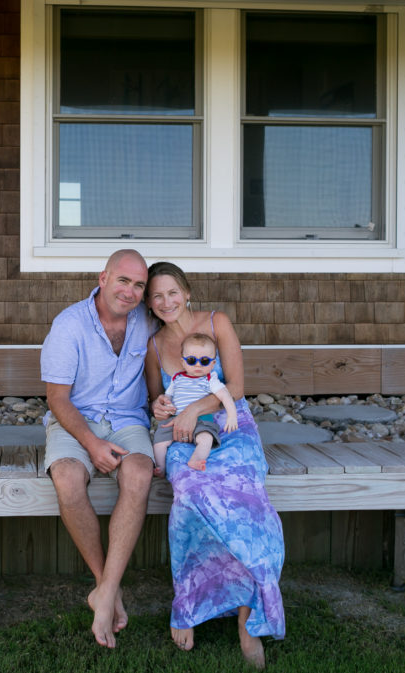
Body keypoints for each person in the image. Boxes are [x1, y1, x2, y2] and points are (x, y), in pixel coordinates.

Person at [145, 261, 285, 669]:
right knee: (191, 494)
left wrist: (197, 410)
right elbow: (156, 401)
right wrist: (161, 407)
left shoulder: (216, 322)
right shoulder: (154, 346)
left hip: (231, 427)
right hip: (183, 437)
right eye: (157, 296)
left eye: (172, 292)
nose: (166, 301)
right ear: (149, 303)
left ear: (187, 292)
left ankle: (247, 617)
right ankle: (190, 602)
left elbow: (236, 388)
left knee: (243, 496)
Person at [40, 248, 154, 649]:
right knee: (67, 477)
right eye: (123, 280)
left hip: (127, 421)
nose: (130, 291)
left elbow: (187, 326)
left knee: (139, 473)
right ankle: (106, 585)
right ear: (103, 278)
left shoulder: (147, 320)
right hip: (77, 420)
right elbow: (57, 398)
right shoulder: (69, 325)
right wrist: (91, 444)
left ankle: (104, 593)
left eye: (139, 285)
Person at [151, 332, 237, 474]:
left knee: (206, 438)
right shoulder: (177, 378)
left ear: (213, 363)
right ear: (183, 362)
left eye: (204, 361)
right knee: (159, 441)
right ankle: (160, 467)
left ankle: (196, 459)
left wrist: (232, 415)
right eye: (191, 360)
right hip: (175, 419)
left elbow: (225, 396)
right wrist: (167, 404)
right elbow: (168, 396)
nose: (198, 365)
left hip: (202, 420)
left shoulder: (210, 379)